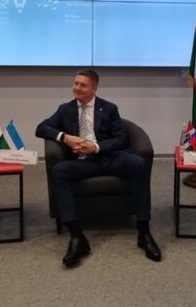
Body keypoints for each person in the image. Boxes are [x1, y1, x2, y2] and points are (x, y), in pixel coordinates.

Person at [35, 69, 161, 267]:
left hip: (110, 157)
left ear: (94, 89)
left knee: (139, 164)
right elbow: (41, 128)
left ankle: (144, 231)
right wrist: (65, 137)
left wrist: (96, 147)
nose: (77, 88)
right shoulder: (65, 109)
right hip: (83, 162)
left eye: (83, 85)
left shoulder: (109, 108)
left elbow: (120, 139)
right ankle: (77, 237)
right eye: (75, 83)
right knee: (59, 171)